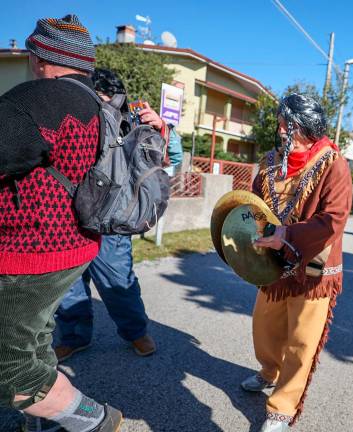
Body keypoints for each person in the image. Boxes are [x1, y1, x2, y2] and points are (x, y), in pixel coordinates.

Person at [0, 15, 122, 431]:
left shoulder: (38, 99)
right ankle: (45, 425)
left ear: (40, 57)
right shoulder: (99, 106)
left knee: (8, 369)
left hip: (28, 251)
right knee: (33, 342)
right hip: (75, 247)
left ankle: (93, 420)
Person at [239, 94, 352, 431]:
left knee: (303, 336)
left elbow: (334, 219)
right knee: (265, 324)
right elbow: (255, 203)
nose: (279, 128)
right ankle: (269, 371)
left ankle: (282, 407)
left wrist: (286, 233)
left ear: (300, 127)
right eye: (280, 122)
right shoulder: (271, 161)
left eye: (285, 123)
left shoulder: (334, 164)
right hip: (273, 260)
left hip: (316, 264)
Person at [53, 68, 168, 362]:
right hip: (68, 219)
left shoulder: (132, 121)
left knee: (118, 285)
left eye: (104, 98)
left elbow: (170, 157)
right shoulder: (68, 117)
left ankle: (136, 332)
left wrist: (161, 129)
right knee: (69, 287)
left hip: (112, 222)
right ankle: (75, 336)